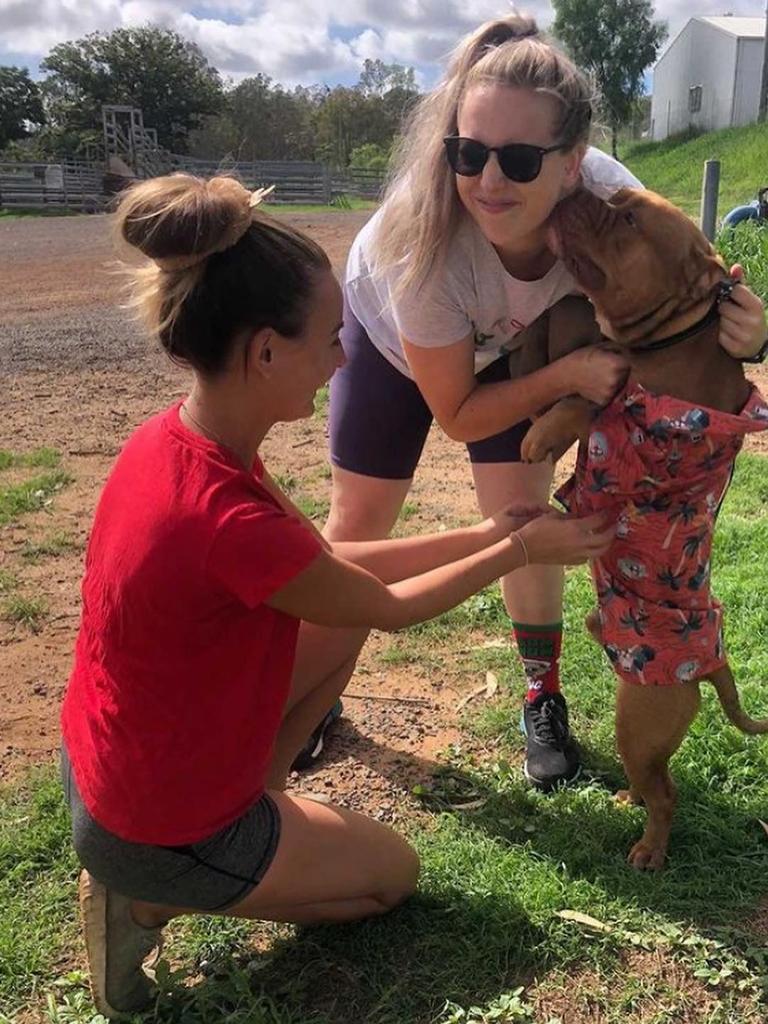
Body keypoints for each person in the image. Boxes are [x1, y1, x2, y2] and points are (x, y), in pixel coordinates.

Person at [59, 172, 616, 1019]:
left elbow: (335, 560)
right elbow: (387, 605)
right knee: (392, 879)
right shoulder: (227, 512)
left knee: (334, 627)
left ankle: (248, 820)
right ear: (265, 352)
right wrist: (520, 549)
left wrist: (490, 531)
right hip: (155, 820)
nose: (345, 357)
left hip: (109, 763)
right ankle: (146, 903)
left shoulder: (181, 440)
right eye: (331, 338)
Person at [325, 14, 768, 791]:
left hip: (517, 349)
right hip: (399, 343)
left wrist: (750, 330)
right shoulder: (420, 246)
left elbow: (683, 294)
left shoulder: (609, 199)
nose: (490, 183)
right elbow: (458, 413)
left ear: (573, 164)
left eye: (522, 160)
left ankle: (542, 694)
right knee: (358, 527)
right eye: (468, 154)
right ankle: (316, 697)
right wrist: (566, 381)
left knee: (523, 520)